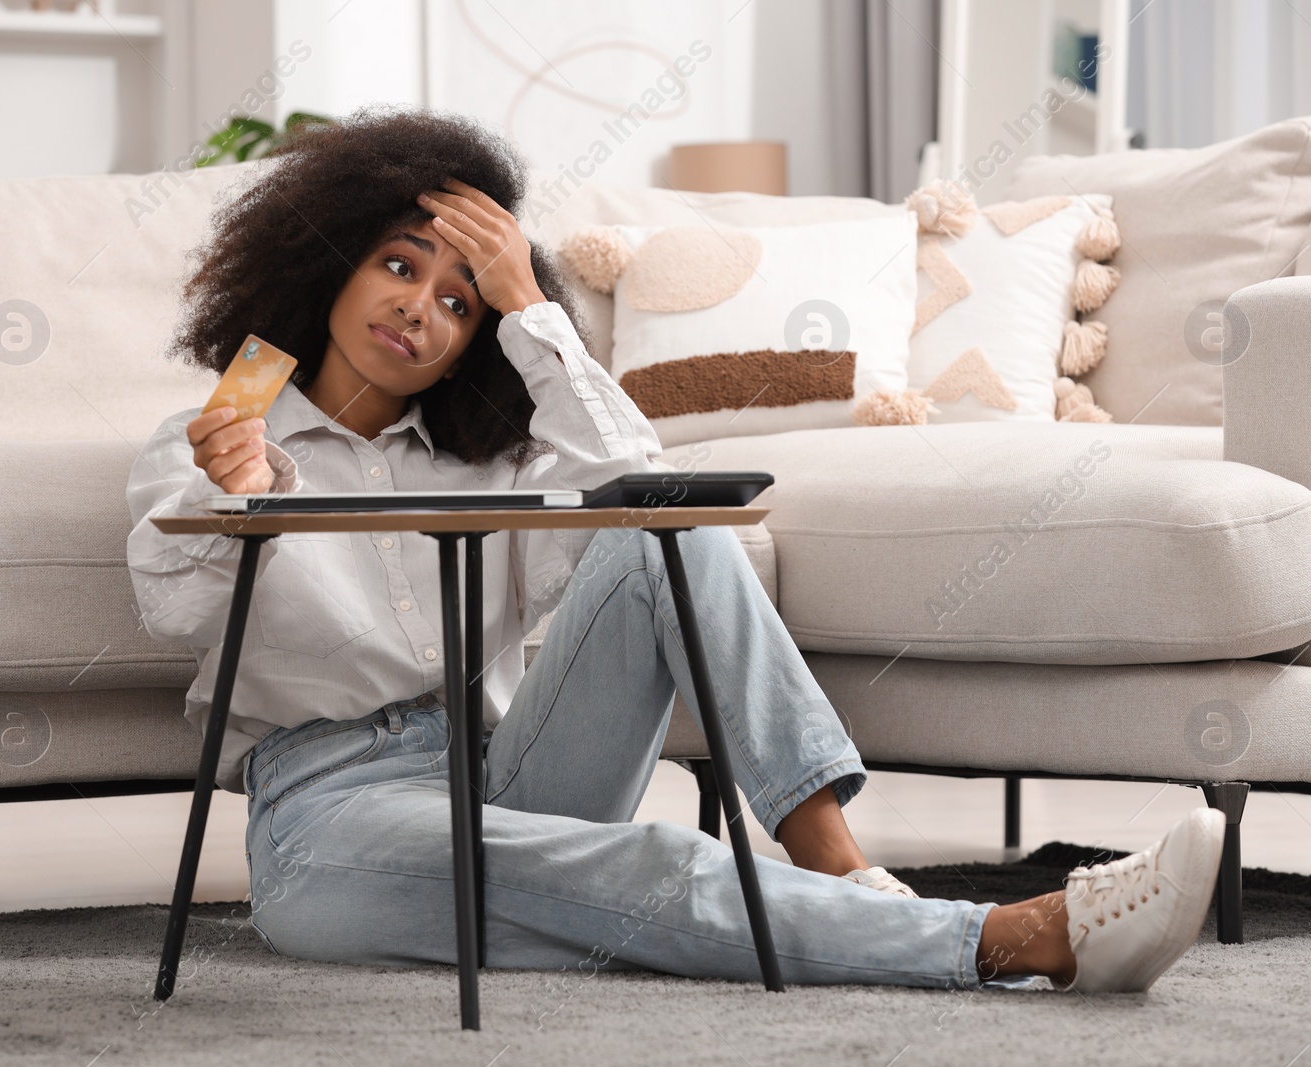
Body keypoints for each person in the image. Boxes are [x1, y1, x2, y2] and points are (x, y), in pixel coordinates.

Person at [126, 108, 1224, 996]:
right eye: (400, 267)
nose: (421, 307)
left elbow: (636, 475)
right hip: (331, 813)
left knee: (670, 534)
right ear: (332, 266)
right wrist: (246, 501)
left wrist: (528, 307)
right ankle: (1006, 937)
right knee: (648, 860)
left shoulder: (487, 461)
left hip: (510, 767)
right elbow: (172, 606)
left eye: (457, 301)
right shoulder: (220, 439)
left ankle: (839, 864)